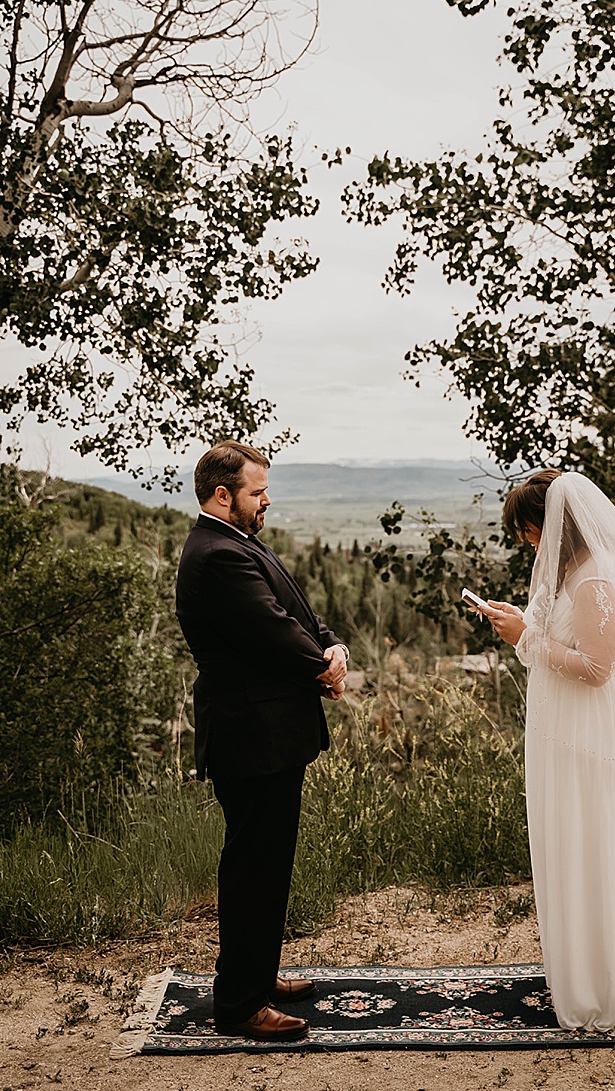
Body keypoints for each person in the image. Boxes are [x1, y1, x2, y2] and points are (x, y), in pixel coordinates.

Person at [476, 470, 615, 1032]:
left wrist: (525, 638)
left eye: (529, 530)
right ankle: (587, 971)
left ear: (556, 525)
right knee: (573, 844)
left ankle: (607, 987)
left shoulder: (597, 579)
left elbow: (597, 668)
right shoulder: (571, 572)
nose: (526, 541)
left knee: (595, 845)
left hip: (593, 740)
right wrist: (519, 623)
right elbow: (559, 637)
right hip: (568, 732)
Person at [174, 441, 349, 1042]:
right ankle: (240, 1005)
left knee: (267, 864)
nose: (266, 499)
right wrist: (322, 668)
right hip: (250, 735)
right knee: (253, 866)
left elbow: (294, 609)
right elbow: (271, 630)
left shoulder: (238, 541)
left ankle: (256, 975)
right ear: (223, 495)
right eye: (257, 491)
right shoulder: (217, 555)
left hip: (267, 733)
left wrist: (329, 646)